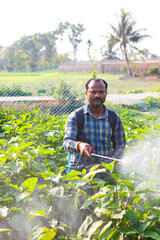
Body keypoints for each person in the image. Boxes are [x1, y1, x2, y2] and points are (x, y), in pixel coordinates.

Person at [63, 78, 126, 172]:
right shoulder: (76, 116)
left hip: (105, 171)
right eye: (93, 92)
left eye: (101, 92)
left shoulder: (113, 118)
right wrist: (79, 145)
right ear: (86, 93)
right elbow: (67, 142)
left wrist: (106, 164)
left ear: (106, 93)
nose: (97, 95)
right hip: (80, 171)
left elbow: (120, 146)